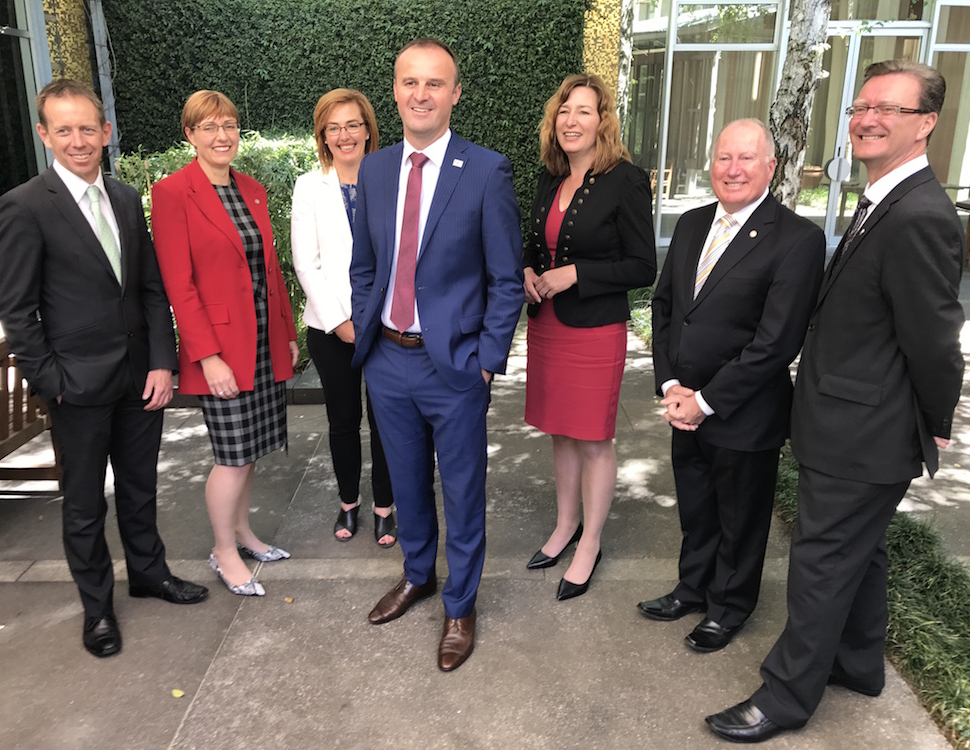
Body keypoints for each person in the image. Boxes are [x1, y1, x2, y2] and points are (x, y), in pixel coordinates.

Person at [707, 61, 965, 743]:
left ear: (927, 125)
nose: (868, 119)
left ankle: (785, 698)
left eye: (890, 109)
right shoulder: (882, 198)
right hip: (845, 421)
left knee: (821, 563)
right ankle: (858, 663)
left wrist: (935, 422)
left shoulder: (920, 216)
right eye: (861, 106)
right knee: (862, 553)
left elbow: (936, 343)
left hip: (864, 434)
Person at [0, 79, 208, 659]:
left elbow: (146, 289)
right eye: (63, 129)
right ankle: (97, 610)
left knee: (140, 490)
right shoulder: (25, 205)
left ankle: (149, 574)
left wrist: (162, 363)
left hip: (140, 377)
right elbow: (16, 309)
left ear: (106, 132)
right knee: (85, 503)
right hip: (76, 386)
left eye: (88, 127)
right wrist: (51, 383)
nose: (78, 139)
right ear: (44, 135)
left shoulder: (123, 198)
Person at [350, 38, 523, 672]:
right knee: (406, 483)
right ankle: (418, 574)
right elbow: (364, 267)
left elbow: (507, 279)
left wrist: (486, 357)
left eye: (434, 83)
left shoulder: (485, 171)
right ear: (394, 90)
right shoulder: (373, 169)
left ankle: (460, 602)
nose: (420, 94)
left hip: (454, 366)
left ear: (455, 93)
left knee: (463, 488)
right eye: (409, 82)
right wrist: (368, 338)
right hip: (387, 362)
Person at [638, 119, 825, 651]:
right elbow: (667, 308)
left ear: (771, 166)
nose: (733, 169)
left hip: (742, 414)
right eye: (724, 158)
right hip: (684, 403)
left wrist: (705, 401)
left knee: (740, 519)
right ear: (711, 163)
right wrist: (672, 385)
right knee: (697, 507)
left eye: (747, 158)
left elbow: (775, 342)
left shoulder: (798, 240)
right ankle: (692, 589)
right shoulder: (693, 223)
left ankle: (730, 605)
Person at [150, 90, 299, 598]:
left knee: (251, 448)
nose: (221, 136)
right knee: (231, 455)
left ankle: (242, 532)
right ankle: (223, 550)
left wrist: (288, 332)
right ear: (189, 135)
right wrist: (206, 356)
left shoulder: (251, 189)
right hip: (221, 350)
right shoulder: (173, 193)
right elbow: (178, 283)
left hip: (262, 339)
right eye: (208, 127)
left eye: (229, 125)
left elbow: (270, 270)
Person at [522, 74, 656, 600]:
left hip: (594, 331)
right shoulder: (548, 179)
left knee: (594, 438)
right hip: (548, 326)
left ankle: (590, 541)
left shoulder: (627, 179)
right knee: (561, 431)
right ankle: (563, 526)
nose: (571, 121)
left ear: (603, 121)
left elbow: (643, 265)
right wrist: (529, 273)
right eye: (564, 111)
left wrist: (575, 274)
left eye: (583, 111)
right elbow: (532, 244)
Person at [291, 89, 395, 547]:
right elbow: (305, 262)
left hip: (388, 324)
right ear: (323, 136)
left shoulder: (392, 178)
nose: (344, 134)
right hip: (330, 328)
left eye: (353, 124)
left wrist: (375, 319)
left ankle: (385, 506)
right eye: (333, 127)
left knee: (389, 420)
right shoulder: (308, 186)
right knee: (343, 420)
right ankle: (349, 502)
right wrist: (340, 322)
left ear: (368, 129)